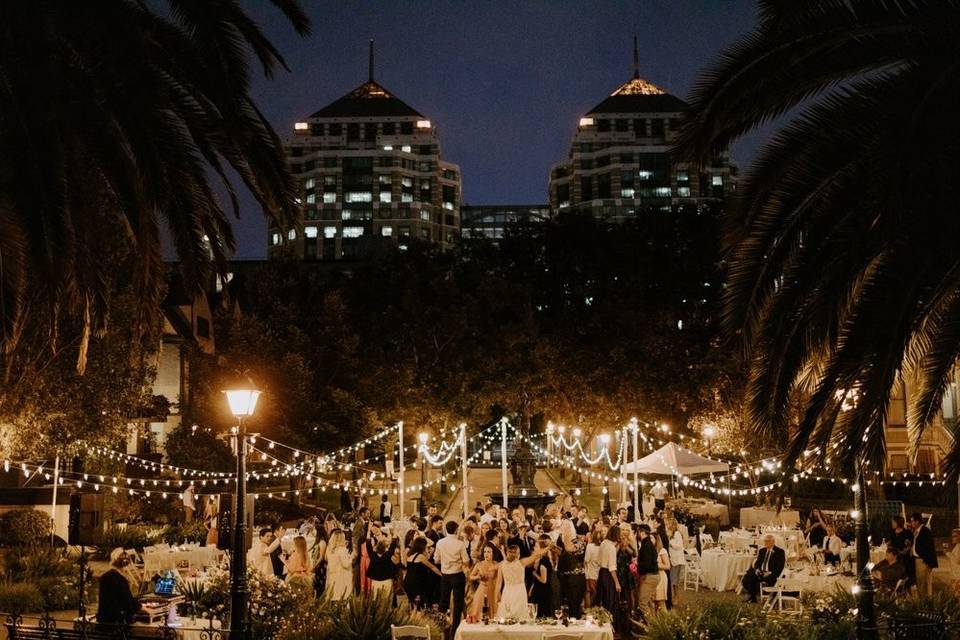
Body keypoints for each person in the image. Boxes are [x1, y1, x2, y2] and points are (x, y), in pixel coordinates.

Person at [434, 520, 470, 635]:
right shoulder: (460, 544)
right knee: (458, 602)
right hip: (457, 574)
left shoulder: (440, 542)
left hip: (445, 575)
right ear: (456, 530)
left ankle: (440, 627)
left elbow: (436, 559)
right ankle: (455, 630)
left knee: (443, 601)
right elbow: (466, 561)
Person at [97, 549, 140, 627]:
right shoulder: (120, 580)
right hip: (117, 624)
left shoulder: (105, 576)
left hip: (103, 621)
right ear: (124, 563)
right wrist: (141, 606)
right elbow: (128, 604)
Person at [740, 534, 785, 603]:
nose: (765, 543)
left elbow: (780, 567)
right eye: (765, 541)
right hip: (761, 572)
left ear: (773, 542)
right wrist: (757, 569)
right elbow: (757, 563)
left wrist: (770, 573)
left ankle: (757, 597)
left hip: (771, 573)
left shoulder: (780, 552)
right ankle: (752, 597)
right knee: (747, 578)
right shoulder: (762, 551)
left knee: (760, 580)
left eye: (768, 541)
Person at [556, 519, 586, 618]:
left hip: (575, 579)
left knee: (574, 605)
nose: (562, 528)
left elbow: (571, 550)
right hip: (564, 579)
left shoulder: (577, 542)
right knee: (566, 605)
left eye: (564, 526)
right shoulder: (561, 541)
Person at [404, 536, 443, 609]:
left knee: (413, 604)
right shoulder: (420, 556)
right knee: (419, 606)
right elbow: (432, 567)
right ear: (422, 546)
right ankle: (417, 618)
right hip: (415, 584)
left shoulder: (410, 554)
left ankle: (412, 618)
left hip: (407, 582)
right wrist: (442, 575)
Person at [596, 525, 622, 624]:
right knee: (611, 600)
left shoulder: (603, 543)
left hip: (601, 573)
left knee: (603, 599)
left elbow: (599, 560)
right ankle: (611, 625)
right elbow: (612, 568)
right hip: (609, 575)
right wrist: (617, 583)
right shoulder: (611, 548)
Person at [496, 546, 529, 619]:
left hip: (507, 591)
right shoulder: (521, 563)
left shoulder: (502, 565)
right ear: (518, 554)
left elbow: (499, 582)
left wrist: (498, 594)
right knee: (520, 615)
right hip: (519, 591)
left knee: (506, 615)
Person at [468, 544, 500, 619]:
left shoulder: (496, 564)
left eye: (489, 552)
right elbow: (470, 577)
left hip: (492, 590)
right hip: (481, 590)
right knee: (479, 612)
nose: (486, 554)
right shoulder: (479, 564)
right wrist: (477, 577)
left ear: (493, 553)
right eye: (485, 552)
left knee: (493, 613)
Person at [910, 512, 938, 596]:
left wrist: (928, 562)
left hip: (923, 560)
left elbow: (929, 548)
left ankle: (925, 602)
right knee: (920, 582)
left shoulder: (925, 531)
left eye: (912, 521)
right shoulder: (917, 531)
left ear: (917, 521)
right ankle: (923, 600)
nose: (911, 523)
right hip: (918, 559)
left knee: (924, 582)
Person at [367, 528, 400, 598]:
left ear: (376, 548)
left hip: (375, 582)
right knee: (386, 601)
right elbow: (393, 544)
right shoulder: (388, 555)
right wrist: (395, 532)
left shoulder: (372, 556)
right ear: (385, 549)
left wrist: (368, 531)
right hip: (386, 581)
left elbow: (368, 545)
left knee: (375, 600)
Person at [636, 524, 659, 619]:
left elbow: (647, 564)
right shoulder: (648, 544)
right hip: (653, 576)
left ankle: (651, 626)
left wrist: (638, 566)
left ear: (641, 532)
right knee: (649, 602)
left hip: (649, 576)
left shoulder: (646, 545)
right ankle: (655, 625)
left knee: (642, 603)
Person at [324, 529, 355, 600]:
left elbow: (326, 559)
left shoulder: (329, 549)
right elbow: (346, 564)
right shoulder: (342, 550)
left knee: (333, 596)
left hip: (332, 576)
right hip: (341, 577)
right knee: (341, 597)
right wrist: (352, 557)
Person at [529, 535, 554, 619]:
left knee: (542, 615)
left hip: (543, 593)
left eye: (536, 546)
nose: (534, 548)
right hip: (541, 591)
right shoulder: (541, 560)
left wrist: (535, 574)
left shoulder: (544, 561)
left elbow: (544, 580)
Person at [666, 518, 686, 606]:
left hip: (677, 560)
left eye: (668, 524)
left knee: (674, 580)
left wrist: (670, 543)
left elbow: (679, 546)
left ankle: (676, 597)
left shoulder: (677, 534)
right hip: (672, 559)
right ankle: (674, 596)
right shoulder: (670, 534)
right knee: (673, 579)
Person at [584, 528, 603, 609]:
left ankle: (588, 611)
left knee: (588, 593)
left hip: (590, 573)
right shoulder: (603, 547)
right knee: (597, 594)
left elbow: (586, 560)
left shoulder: (590, 546)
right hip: (599, 573)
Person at [654, 533, 671, 611]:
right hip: (652, 577)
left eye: (651, 538)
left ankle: (665, 621)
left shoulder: (662, 550)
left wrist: (654, 565)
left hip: (660, 577)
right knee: (654, 603)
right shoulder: (649, 550)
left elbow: (667, 566)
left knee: (661, 602)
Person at [311, 527, 328, 597]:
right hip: (317, 565)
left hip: (320, 566)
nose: (313, 532)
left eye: (314, 530)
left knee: (320, 585)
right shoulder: (318, 541)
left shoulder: (322, 542)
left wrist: (314, 567)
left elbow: (321, 557)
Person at [945, 528, 960, 595]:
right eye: (952, 536)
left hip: (958, 576)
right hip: (955, 575)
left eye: (955, 536)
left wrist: (948, 553)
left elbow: (957, 560)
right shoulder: (957, 545)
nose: (952, 538)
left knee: (957, 595)